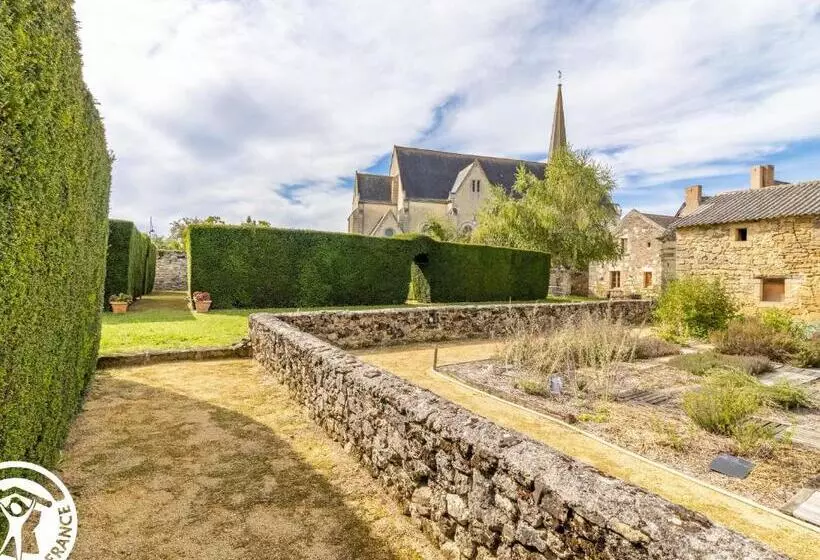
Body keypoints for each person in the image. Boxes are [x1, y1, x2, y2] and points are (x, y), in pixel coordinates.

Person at [1, 496, 38, 560]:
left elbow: (30, 510)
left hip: (17, 534)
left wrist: (34, 502)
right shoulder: (15, 517)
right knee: (5, 546)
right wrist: (34, 502)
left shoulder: (21, 518)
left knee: (16, 547)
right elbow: (4, 510)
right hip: (12, 533)